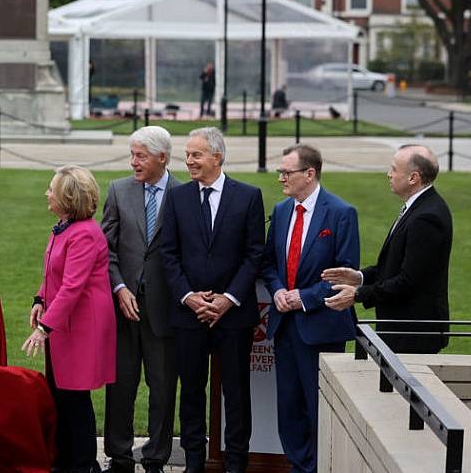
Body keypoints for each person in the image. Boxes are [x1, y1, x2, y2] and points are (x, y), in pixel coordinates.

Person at [158, 127, 264, 473]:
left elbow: (253, 255)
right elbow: (168, 253)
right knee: (191, 390)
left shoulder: (248, 196)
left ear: (217, 157)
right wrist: (189, 297)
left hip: (233, 316)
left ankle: (236, 462)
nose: (188, 160)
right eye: (187, 154)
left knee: (235, 393)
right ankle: (193, 462)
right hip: (189, 314)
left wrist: (227, 299)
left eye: (196, 154)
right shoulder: (177, 197)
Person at [261, 144, 359, 473]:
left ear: (309, 174)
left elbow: (345, 273)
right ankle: (299, 465)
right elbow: (268, 262)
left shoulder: (341, 213)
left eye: (286, 172)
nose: (280, 178)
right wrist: (277, 291)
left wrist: (302, 297)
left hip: (320, 329)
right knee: (288, 409)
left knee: (319, 409)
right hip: (284, 326)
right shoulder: (282, 209)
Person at [22, 165, 116, 473]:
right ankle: (65, 461)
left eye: (52, 189)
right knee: (60, 396)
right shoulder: (63, 227)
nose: (47, 193)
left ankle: (84, 464)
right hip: (64, 323)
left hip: (81, 326)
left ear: (68, 197)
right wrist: (39, 300)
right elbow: (54, 276)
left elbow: (73, 286)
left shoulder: (85, 234)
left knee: (74, 398)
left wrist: (44, 328)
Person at [100, 126, 180, 473]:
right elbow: (105, 249)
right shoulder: (118, 190)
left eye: (140, 156)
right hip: (123, 308)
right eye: (132, 155)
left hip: (166, 310)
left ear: (162, 157)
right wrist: (119, 288)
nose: (133, 162)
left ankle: (156, 459)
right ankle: (119, 457)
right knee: (120, 385)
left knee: (163, 389)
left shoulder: (184, 193)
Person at [323, 145, 453, 354]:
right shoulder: (417, 207)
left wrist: (358, 295)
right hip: (401, 330)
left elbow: (408, 281)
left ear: (413, 178)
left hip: (412, 334)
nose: (388, 174)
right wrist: (359, 277)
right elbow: (393, 266)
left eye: (394, 169)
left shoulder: (427, 218)